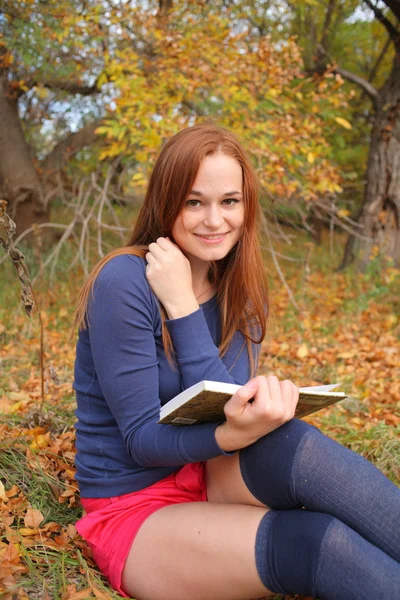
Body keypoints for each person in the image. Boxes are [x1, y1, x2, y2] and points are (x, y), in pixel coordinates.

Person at [73, 123, 400, 600]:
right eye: (193, 202)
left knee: (296, 447)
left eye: (229, 201)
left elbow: (222, 402)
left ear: (246, 208)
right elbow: (142, 440)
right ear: (166, 202)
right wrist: (182, 308)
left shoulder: (240, 292)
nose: (213, 220)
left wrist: (244, 422)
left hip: (206, 468)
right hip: (134, 506)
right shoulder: (125, 282)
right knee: (313, 543)